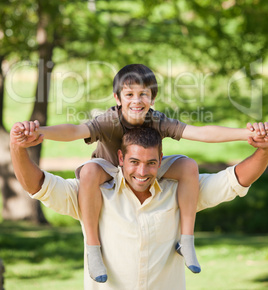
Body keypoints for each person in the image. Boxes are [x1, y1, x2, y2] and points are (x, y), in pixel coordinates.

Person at [14, 64, 268, 282]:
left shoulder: (157, 119)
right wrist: (39, 132)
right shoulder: (109, 121)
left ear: (152, 98)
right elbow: (73, 131)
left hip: (145, 166)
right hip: (110, 169)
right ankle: (93, 248)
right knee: (90, 171)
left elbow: (200, 133)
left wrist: (247, 134)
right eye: (129, 94)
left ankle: (187, 240)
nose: (136, 100)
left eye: (143, 94)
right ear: (117, 98)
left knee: (189, 165)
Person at [10, 125, 268, 290]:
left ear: (161, 160)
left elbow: (234, 180)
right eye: (134, 161)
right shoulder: (93, 194)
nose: (142, 172)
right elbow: (38, 185)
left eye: (151, 163)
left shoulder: (180, 193)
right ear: (120, 158)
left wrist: (264, 150)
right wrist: (18, 149)